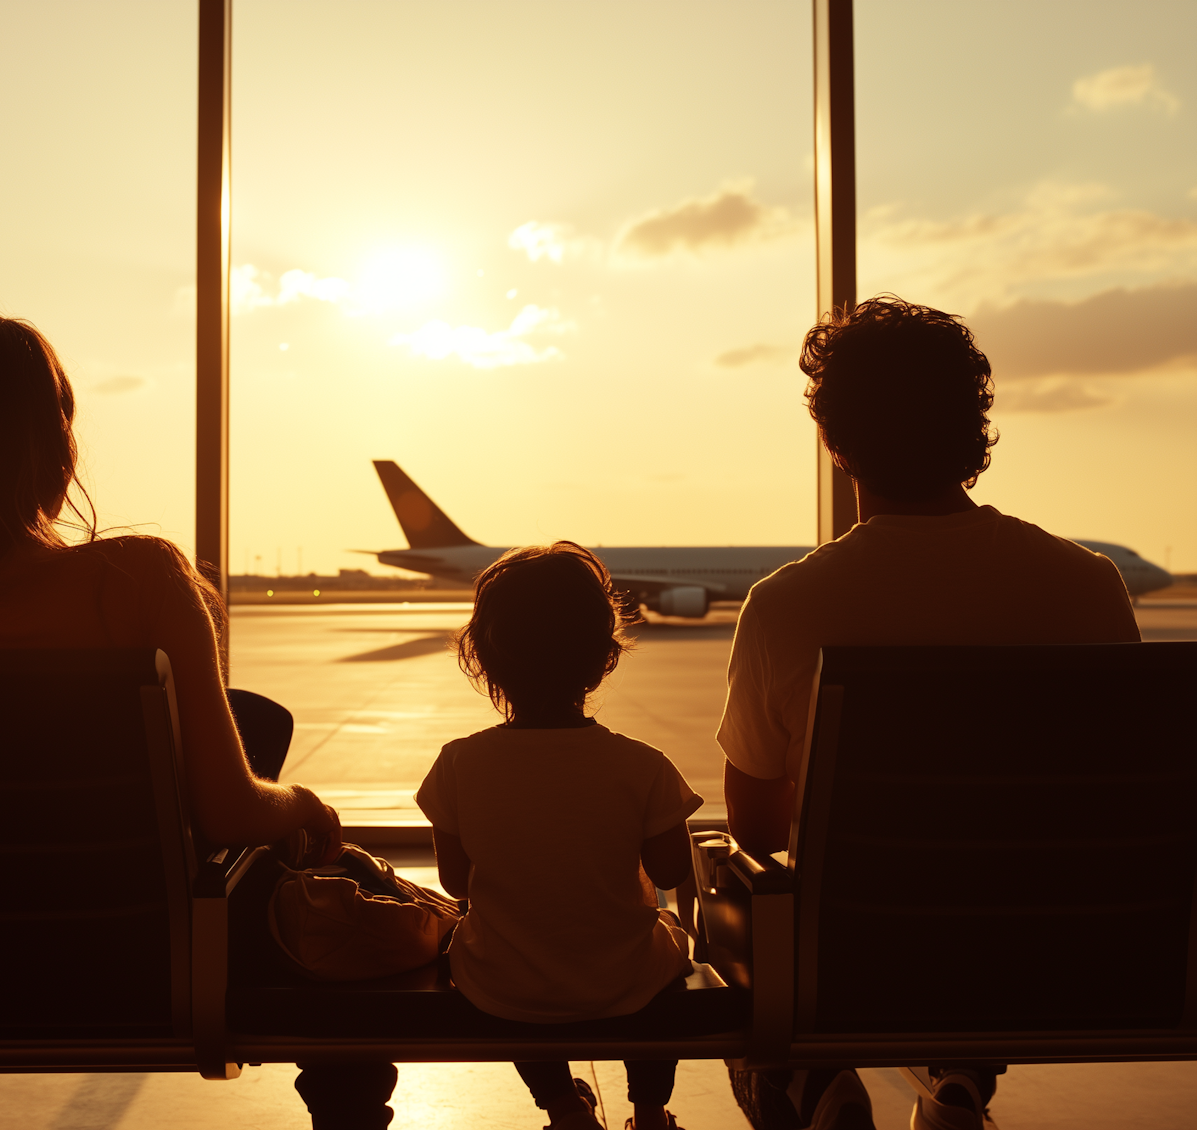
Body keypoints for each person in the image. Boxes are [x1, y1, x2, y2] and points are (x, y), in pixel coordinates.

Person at [0, 305, 393, 1129]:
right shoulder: (137, 578)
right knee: (350, 904)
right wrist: (301, 806)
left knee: (249, 719)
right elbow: (230, 809)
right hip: (133, 954)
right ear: (47, 439)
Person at [716, 297, 1141, 1130]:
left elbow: (757, 824)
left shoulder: (784, 607)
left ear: (836, 443)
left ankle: (807, 1083)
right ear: (973, 428)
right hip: (1061, 958)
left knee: (720, 888)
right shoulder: (1089, 586)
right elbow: (1123, 797)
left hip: (857, 958)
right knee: (980, 912)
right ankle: (960, 1079)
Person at [416, 542, 703, 1130]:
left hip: (506, 983)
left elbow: (454, 882)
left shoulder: (457, 764)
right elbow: (672, 873)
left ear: (485, 659)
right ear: (604, 659)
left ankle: (565, 1108)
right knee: (667, 943)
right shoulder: (643, 766)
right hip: (622, 976)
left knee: (503, 963)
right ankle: (649, 1111)